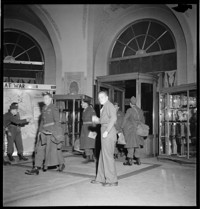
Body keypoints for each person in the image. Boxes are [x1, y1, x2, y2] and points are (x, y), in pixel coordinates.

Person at [25, 92, 65, 175]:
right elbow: (42, 121)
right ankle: (36, 167)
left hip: (51, 132)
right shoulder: (43, 108)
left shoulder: (54, 107)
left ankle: (61, 164)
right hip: (43, 132)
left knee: (54, 150)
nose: (45, 100)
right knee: (39, 149)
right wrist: (39, 132)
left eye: (46, 98)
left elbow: (57, 121)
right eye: (44, 98)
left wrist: (56, 133)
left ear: (51, 99)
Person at [91, 91, 118, 187]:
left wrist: (106, 131)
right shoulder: (104, 107)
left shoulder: (109, 105)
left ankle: (112, 180)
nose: (100, 99)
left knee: (108, 157)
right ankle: (100, 178)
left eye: (102, 97)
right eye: (99, 98)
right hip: (105, 133)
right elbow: (104, 120)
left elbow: (113, 118)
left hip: (108, 134)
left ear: (107, 97)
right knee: (102, 157)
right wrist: (97, 120)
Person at [121, 96, 145, 166]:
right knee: (137, 145)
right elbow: (143, 121)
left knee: (130, 145)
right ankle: (138, 161)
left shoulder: (129, 110)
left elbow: (125, 119)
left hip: (131, 130)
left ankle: (129, 161)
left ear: (130, 104)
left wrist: (121, 127)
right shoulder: (140, 111)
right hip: (139, 130)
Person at [80, 99, 97, 163]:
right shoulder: (84, 110)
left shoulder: (91, 110)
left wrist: (94, 130)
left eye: (82, 103)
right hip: (84, 128)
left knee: (88, 143)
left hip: (89, 128)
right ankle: (90, 157)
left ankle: (88, 157)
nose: (81, 104)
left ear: (86, 103)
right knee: (86, 142)